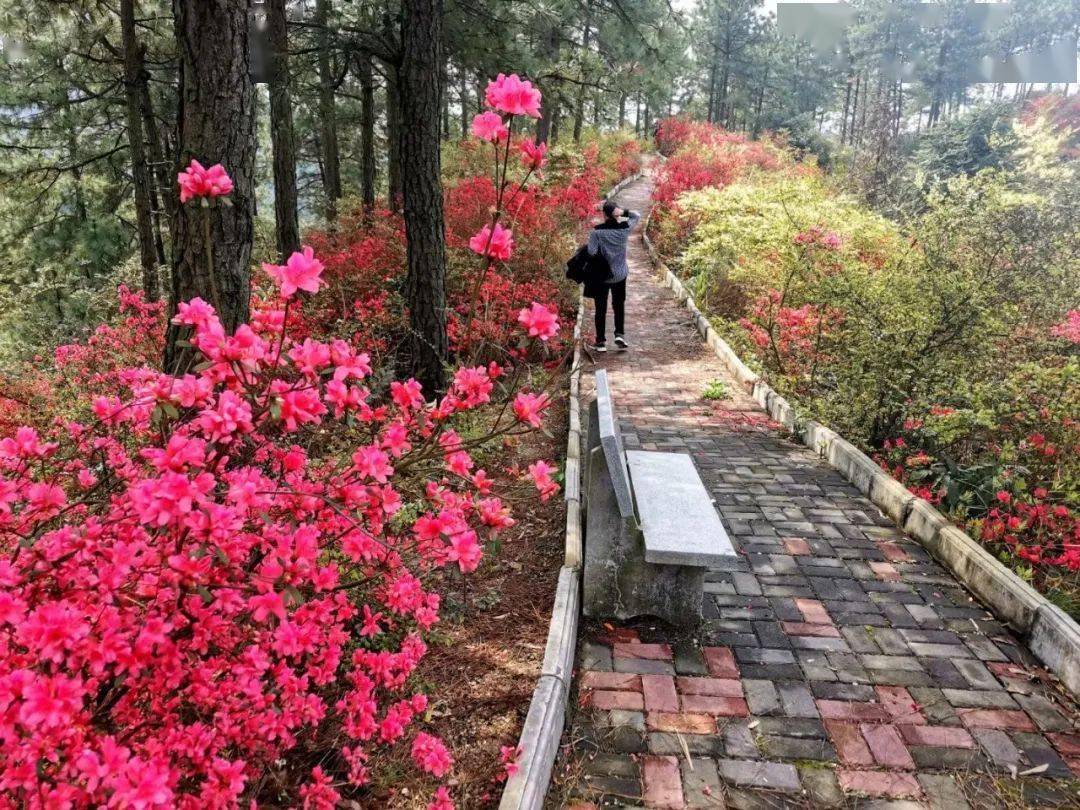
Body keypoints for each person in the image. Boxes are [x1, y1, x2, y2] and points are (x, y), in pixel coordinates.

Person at [587, 200, 640, 352]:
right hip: (620, 274)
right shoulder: (624, 230)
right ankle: (619, 335)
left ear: (604, 215)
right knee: (618, 305)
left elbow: (591, 252)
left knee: (600, 308)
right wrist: (623, 212)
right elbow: (636, 215)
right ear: (616, 213)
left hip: (602, 276)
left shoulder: (596, 232)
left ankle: (601, 342)